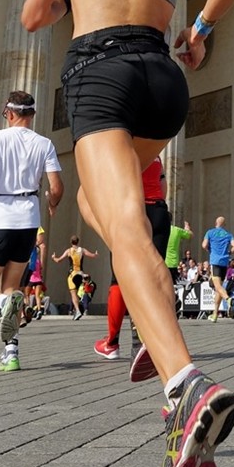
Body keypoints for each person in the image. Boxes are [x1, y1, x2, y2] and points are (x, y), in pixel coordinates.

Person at [17, 0, 234, 467]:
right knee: (108, 211)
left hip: (100, 71)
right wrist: (200, 32)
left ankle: (184, 383)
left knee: (122, 221)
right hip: (164, 77)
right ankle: (152, 317)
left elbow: (34, 14)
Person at [0, 90, 64, 371]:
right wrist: (52, 205)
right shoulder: (45, 144)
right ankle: (11, 353)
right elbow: (56, 188)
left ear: (8, 113)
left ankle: (6, 303)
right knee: (14, 287)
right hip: (29, 219)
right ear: (32, 114)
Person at [95, 158, 169, 372]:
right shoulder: (155, 154)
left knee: (119, 278)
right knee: (154, 275)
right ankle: (154, 339)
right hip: (159, 212)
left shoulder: (124, 148)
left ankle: (112, 343)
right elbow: (162, 183)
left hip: (133, 211)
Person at [201, 217, 234, 319]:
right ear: (224, 225)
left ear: (215, 223)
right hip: (224, 262)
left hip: (215, 261)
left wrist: (209, 250)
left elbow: (204, 245)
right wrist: (229, 252)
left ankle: (228, 299)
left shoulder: (210, 232)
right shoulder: (228, 234)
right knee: (218, 288)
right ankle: (215, 314)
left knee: (218, 287)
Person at [56, 237, 97, 319]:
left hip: (72, 274)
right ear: (78, 242)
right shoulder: (82, 250)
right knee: (79, 292)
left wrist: (54, 257)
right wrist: (95, 254)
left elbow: (58, 260)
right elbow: (93, 255)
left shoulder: (68, 251)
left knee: (73, 293)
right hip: (81, 274)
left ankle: (77, 310)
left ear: (71, 242)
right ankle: (77, 309)